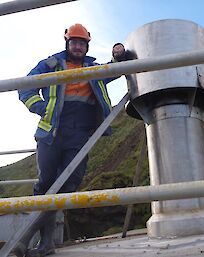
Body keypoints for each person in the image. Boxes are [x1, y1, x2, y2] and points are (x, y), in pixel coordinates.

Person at [14, 23, 128, 257]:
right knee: (45, 185)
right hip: (51, 132)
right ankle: (41, 243)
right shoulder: (51, 65)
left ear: (87, 46)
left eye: (82, 43)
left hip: (79, 134)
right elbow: (24, 87)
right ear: (67, 43)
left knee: (67, 185)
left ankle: (32, 241)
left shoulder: (93, 69)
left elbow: (114, 70)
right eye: (74, 42)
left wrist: (119, 55)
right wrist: (41, 108)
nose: (78, 46)